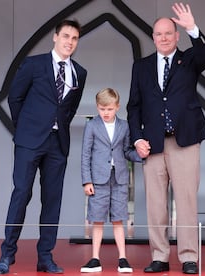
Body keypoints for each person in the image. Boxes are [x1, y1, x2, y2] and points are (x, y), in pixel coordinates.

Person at [0, 19, 87, 274]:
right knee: (21, 194)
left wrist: (56, 126)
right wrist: (25, 127)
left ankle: (45, 257)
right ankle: (6, 255)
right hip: (29, 141)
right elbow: (15, 97)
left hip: (57, 144)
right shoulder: (34, 64)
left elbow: (69, 109)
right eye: (66, 36)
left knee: (52, 201)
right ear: (55, 37)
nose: (70, 42)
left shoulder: (80, 72)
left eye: (75, 38)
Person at [127, 3, 205, 274]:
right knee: (155, 204)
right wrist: (137, 138)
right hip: (152, 143)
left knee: (186, 201)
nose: (163, 38)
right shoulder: (140, 67)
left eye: (168, 33)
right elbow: (133, 107)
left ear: (176, 36)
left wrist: (192, 28)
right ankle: (160, 257)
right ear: (153, 38)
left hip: (184, 140)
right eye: (158, 34)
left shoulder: (189, 60)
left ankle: (189, 257)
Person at [80, 88, 141, 273]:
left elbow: (127, 150)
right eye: (101, 109)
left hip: (120, 178)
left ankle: (123, 259)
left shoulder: (124, 126)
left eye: (109, 109)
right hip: (98, 179)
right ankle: (94, 259)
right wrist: (87, 181)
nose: (105, 113)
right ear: (97, 107)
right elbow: (85, 155)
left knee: (119, 219)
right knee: (97, 219)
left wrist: (142, 155)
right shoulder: (91, 126)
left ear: (117, 107)